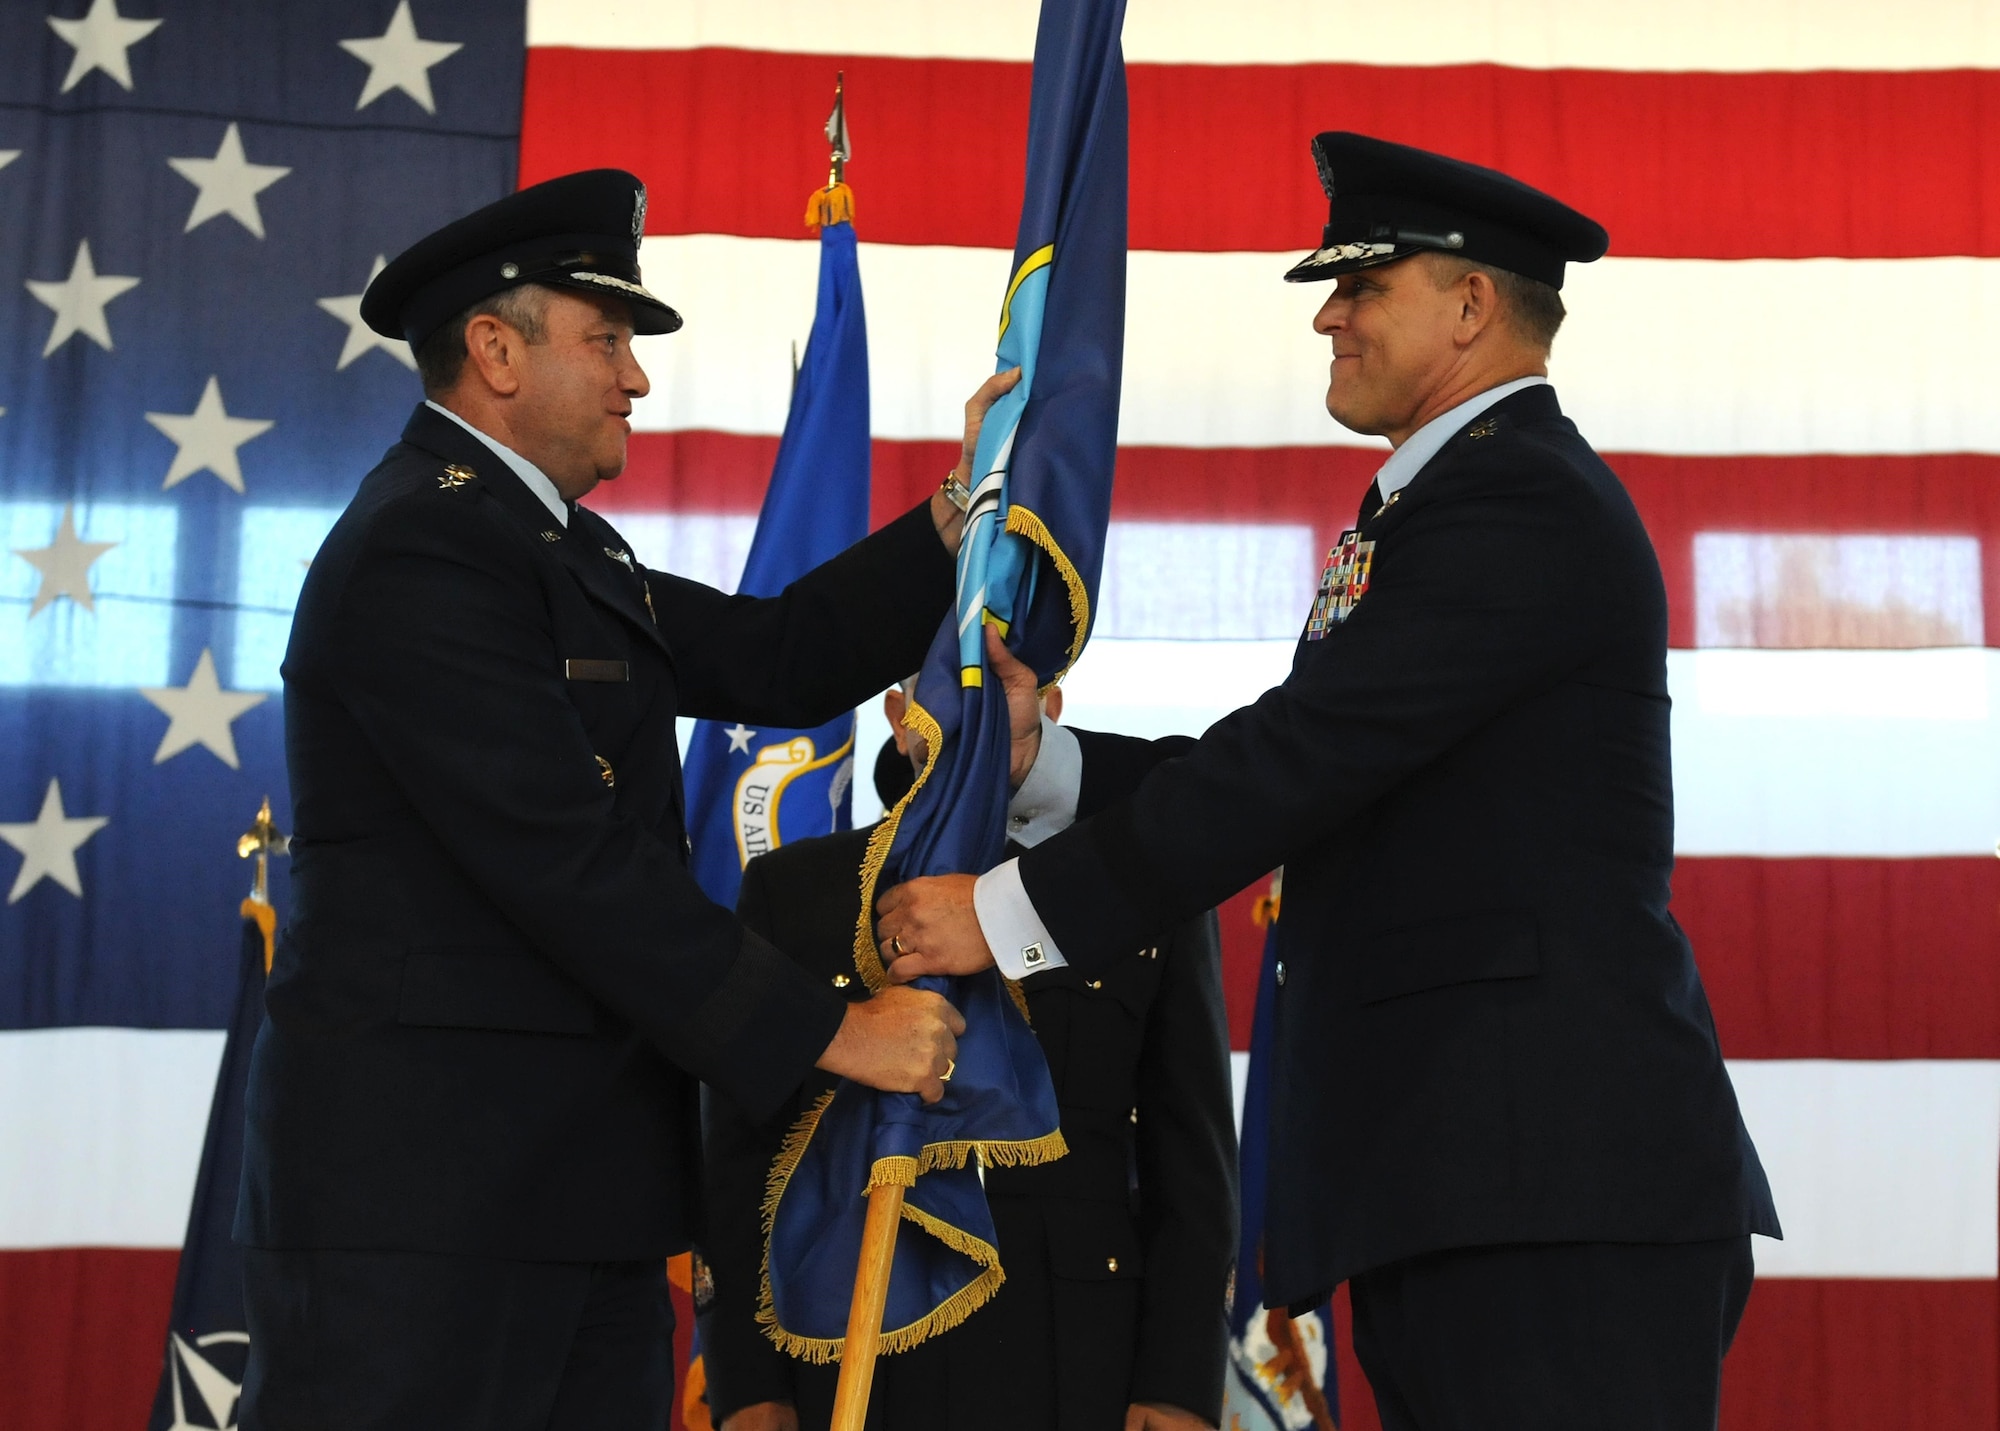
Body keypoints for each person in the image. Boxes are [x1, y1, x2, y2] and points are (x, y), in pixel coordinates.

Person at [874, 133, 1781, 1430]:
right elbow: (1316, 754)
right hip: (1472, 1180)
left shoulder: (1517, 502)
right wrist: (1044, 757)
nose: (1329, 315)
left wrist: (1007, 913)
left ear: (1471, 305)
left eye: (1364, 285)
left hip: (1547, 1191)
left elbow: (1300, 760)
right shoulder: (1448, 502)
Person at [234, 168, 1016, 1431]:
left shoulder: (554, 547)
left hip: (570, 1196)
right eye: (605, 340)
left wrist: (954, 511)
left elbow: (779, 659)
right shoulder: (418, 552)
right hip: (426, 1211)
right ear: (493, 348)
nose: (635, 377)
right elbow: (568, 863)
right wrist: (830, 1028)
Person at [699, 668, 1238, 1431]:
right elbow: (741, 1153)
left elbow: (1193, 1150)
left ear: (1050, 708)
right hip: (860, 1343)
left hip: (1082, 1353)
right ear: (898, 714)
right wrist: (748, 1379)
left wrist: (1181, 1377)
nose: (974, 711)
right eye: (947, 684)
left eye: (1006, 687)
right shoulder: (797, 890)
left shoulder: (1130, 888)